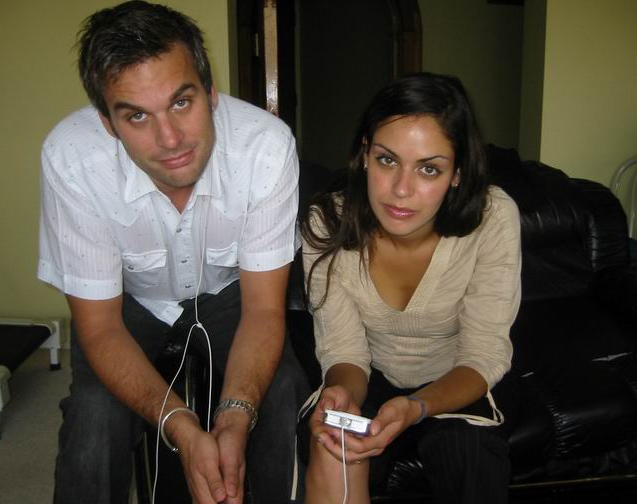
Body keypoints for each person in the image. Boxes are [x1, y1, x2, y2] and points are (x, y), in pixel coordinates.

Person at [38, 2, 309, 503]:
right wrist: (180, 425)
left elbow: (264, 311)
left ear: (211, 92)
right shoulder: (72, 159)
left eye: (182, 102)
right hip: (128, 302)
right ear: (107, 122)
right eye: (137, 115)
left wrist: (235, 416)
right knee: (93, 418)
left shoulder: (266, 148)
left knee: (283, 391)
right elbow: (99, 328)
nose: (170, 140)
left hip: (232, 294)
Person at [300, 73, 522, 504]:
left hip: (458, 378)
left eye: (429, 169)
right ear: (365, 154)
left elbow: (482, 355)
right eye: (387, 160)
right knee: (333, 441)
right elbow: (344, 351)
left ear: (457, 174)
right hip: (371, 377)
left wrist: (416, 407)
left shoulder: (493, 218)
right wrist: (342, 395)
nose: (401, 190)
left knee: (468, 454)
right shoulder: (326, 223)